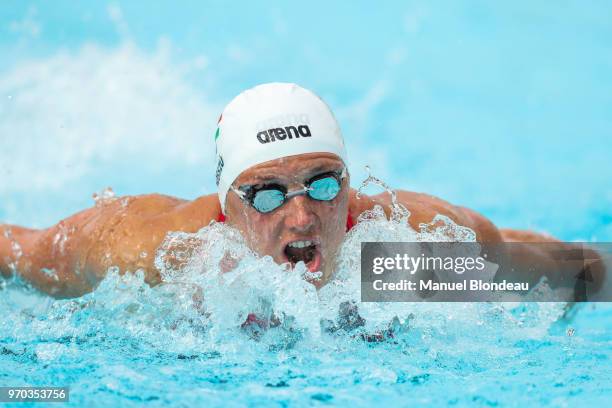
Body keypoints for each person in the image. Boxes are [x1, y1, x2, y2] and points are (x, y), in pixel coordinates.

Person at [0, 83, 605, 299]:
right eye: (265, 193)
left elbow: (565, 270)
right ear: (226, 204)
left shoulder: (405, 247)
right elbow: (20, 251)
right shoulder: (153, 252)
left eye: (321, 184)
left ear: (348, 184)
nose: (300, 218)